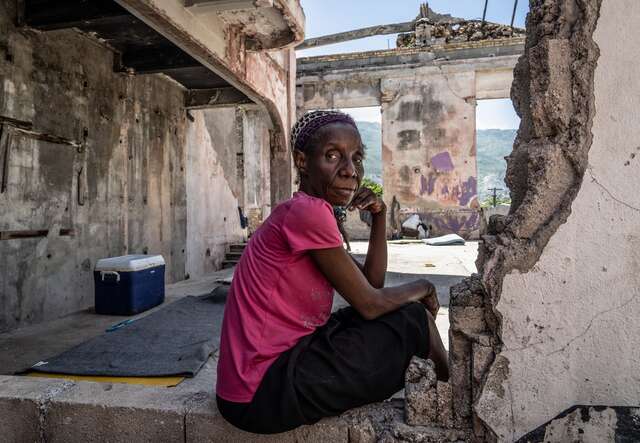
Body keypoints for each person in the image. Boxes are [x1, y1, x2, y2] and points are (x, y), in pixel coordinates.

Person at [216, 110, 449, 434]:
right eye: (332, 156)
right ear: (302, 161)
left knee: (404, 315)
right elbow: (371, 302)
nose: (350, 171)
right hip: (261, 391)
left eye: (356, 158)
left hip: (268, 373)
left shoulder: (304, 211)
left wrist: (379, 216)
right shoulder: (308, 212)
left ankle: (448, 388)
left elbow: (370, 286)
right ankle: (452, 395)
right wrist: (424, 285)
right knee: (412, 320)